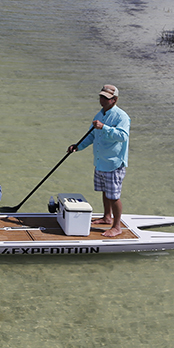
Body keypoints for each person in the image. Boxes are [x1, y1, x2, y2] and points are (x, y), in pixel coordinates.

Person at [68, 84, 130, 238]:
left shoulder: (121, 117)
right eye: (101, 97)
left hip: (114, 163)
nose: (102, 100)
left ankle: (117, 227)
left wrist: (105, 127)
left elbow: (123, 136)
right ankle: (107, 217)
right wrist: (78, 146)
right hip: (101, 161)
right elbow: (91, 135)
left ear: (114, 100)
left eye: (106, 98)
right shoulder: (99, 114)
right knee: (105, 191)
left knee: (114, 196)